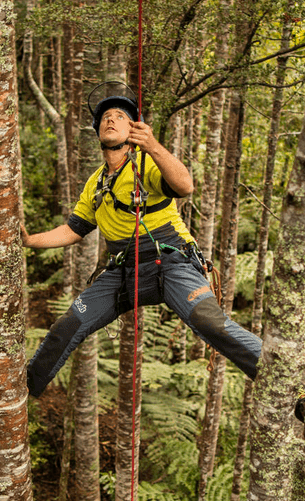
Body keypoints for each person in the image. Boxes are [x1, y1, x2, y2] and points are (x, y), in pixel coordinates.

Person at [23, 86, 262, 397]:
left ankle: (287, 382)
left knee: (212, 325)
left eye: (120, 117)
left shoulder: (147, 163)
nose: (111, 120)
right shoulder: (95, 184)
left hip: (172, 262)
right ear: (98, 133)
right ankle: (23, 389)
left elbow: (184, 186)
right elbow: (73, 230)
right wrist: (29, 240)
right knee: (67, 325)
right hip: (123, 272)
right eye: (105, 118)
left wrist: (153, 146)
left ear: (133, 129)